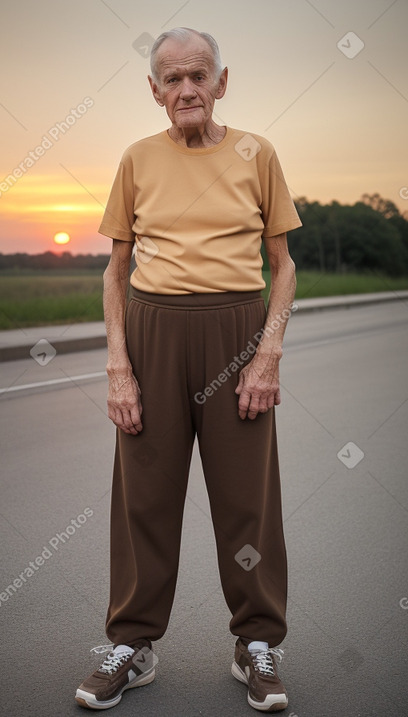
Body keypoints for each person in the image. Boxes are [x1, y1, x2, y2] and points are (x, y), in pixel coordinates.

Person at [76, 27, 301, 713]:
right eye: (170, 79)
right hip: (152, 330)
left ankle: (256, 644)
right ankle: (132, 643)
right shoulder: (137, 159)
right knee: (143, 495)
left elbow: (285, 265)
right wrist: (119, 365)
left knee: (247, 501)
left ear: (221, 83)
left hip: (238, 329)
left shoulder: (257, 153)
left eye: (197, 75)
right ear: (154, 91)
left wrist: (267, 352)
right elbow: (115, 271)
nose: (185, 89)